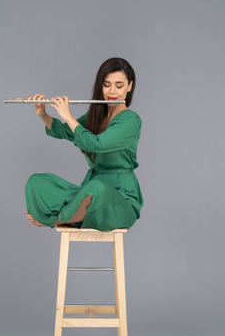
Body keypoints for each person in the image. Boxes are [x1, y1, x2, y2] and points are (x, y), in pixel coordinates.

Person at [25, 57, 143, 232]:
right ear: (100, 86)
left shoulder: (131, 120)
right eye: (106, 85)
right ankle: (75, 215)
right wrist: (43, 113)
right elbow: (65, 131)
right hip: (91, 189)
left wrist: (69, 116)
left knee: (95, 189)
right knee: (36, 182)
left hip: (121, 200)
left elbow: (96, 144)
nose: (112, 91)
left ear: (129, 86)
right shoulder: (95, 116)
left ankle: (56, 219)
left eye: (119, 86)